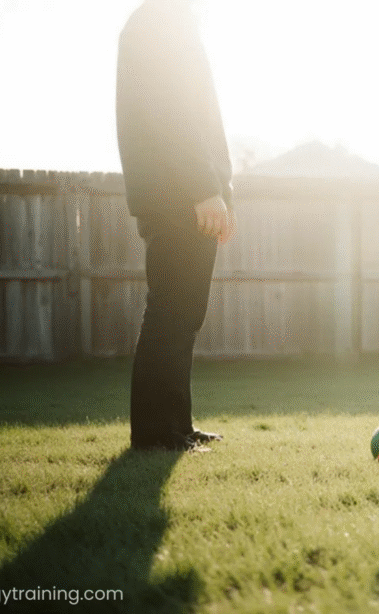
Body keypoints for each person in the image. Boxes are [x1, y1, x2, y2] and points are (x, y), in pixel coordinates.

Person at [116, 0, 236, 451]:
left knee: (184, 314)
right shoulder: (155, 22)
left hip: (191, 191)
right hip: (174, 195)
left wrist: (224, 192)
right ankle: (154, 434)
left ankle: (177, 426)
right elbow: (170, 116)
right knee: (170, 311)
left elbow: (205, 122)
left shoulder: (176, 21)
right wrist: (205, 189)